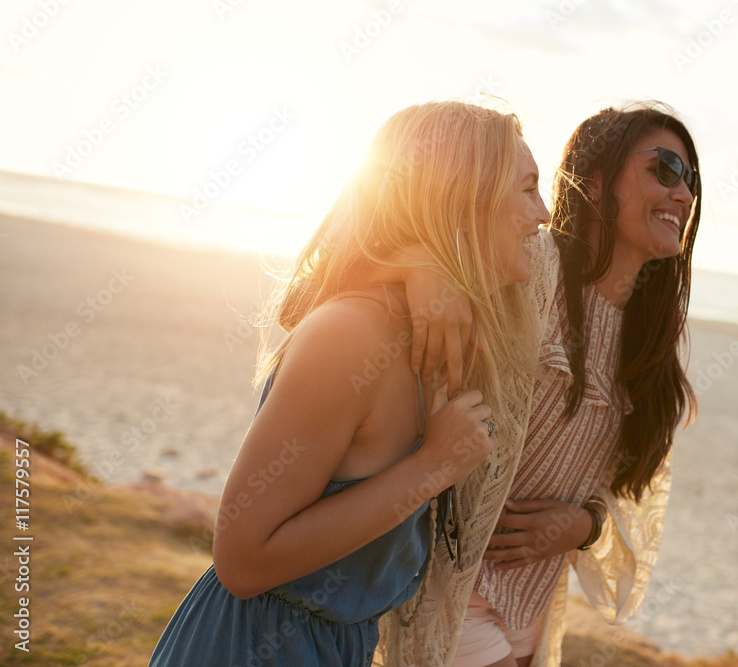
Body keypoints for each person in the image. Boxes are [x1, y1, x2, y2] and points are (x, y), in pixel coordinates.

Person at [148, 100, 549, 667]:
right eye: (528, 189)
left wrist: (419, 266)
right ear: (463, 201)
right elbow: (241, 561)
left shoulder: (428, 329)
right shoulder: (354, 333)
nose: (545, 212)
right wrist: (432, 466)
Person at [375, 102, 701, 666]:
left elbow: (629, 494)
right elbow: (381, 249)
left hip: (536, 608)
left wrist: (583, 523)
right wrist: (419, 267)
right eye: (666, 169)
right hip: (450, 589)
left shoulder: (651, 341)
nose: (684, 193)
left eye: (690, 180)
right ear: (596, 183)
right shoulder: (529, 267)